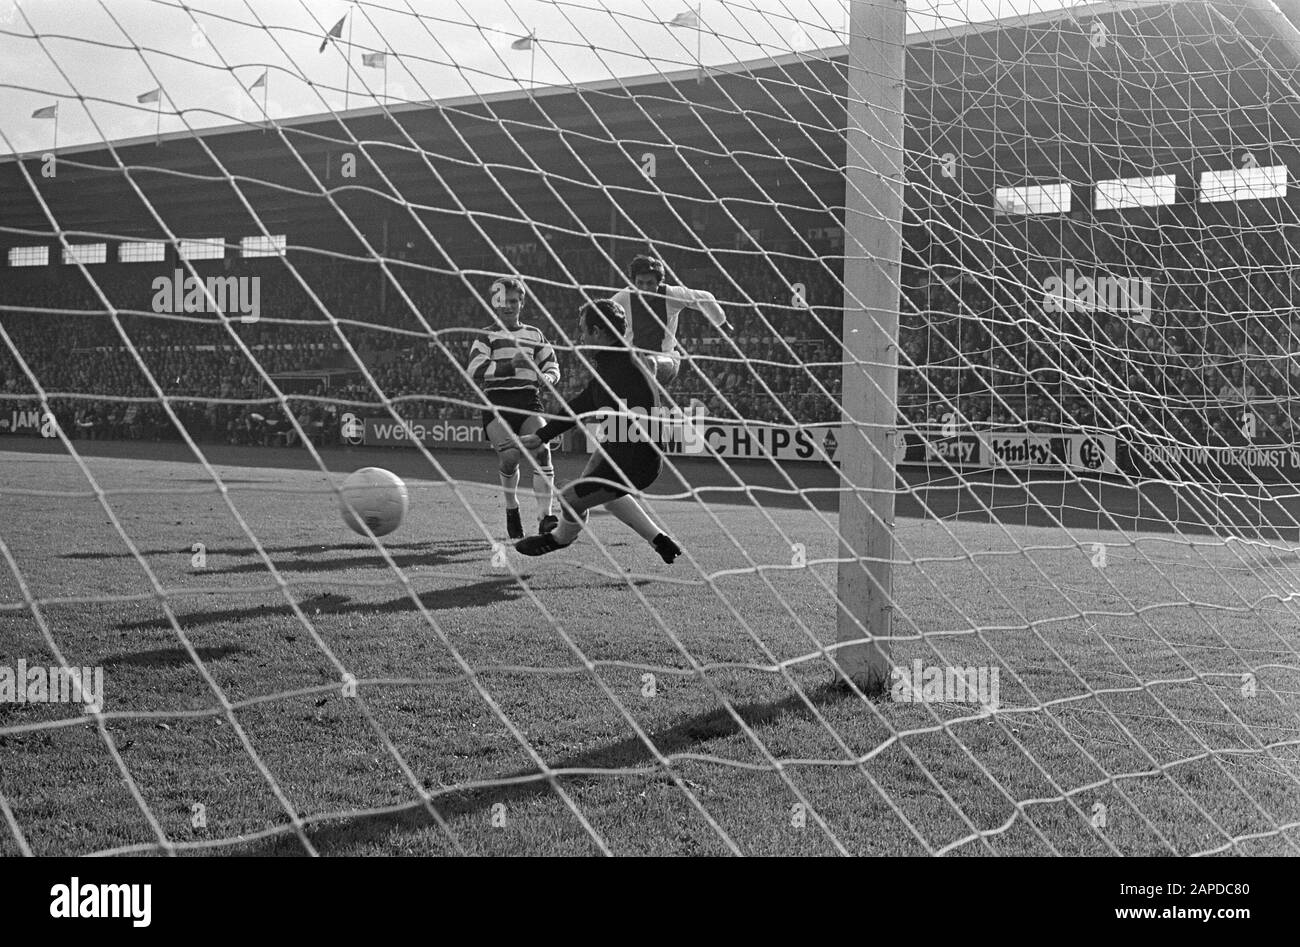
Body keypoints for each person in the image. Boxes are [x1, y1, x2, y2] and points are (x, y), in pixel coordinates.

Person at [515, 299, 682, 564]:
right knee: (606, 497)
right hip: (629, 453)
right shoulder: (620, 361)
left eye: (584, 330)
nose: (580, 337)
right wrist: (542, 436)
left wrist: (612, 469)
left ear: (598, 332)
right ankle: (660, 540)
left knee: (570, 498)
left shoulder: (620, 368)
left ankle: (559, 539)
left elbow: (597, 405)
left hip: (633, 460)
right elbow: (584, 402)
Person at [466, 276, 560, 538]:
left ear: (522, 303)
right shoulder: (487, 335)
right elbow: (474, 368)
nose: (509, 306)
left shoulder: (535, 334)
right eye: (504, 301)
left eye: (514, 301)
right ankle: (511, 507)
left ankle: (546, 517)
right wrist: (511, 365)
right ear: (495, 303)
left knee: (542, 450)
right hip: (496, 403)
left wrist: (547, 378)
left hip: (528, 400)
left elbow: (552, 365)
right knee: (510, 458)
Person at [610, 254, 732, 385]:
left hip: (667, 360)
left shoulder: (671, 295)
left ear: (659, 282)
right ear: (633, 282)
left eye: (650, 283)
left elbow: (705, 298)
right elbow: (598, 313)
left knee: (649, 363)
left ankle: (648, 400)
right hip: (634, 363)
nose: (645, 288)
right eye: (640, 283)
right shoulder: (622, 298)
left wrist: (722, 323)